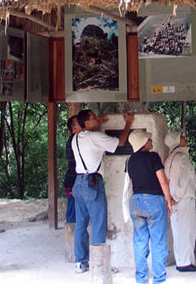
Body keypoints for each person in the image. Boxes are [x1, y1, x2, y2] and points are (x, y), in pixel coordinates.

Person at [72, 109, 134, 274]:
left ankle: (80, 261)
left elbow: (91, 131)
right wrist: (128, 123)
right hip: (93, 184)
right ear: (87, 123)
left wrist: (97, 121)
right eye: (93, 118)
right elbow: (120, 143)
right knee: (99, 224)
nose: (96, 119)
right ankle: (100, 263)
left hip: (78, 183)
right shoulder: (96, 137)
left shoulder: (76, 138)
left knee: (81, 225)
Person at [126, 130, 174, 284]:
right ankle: (159, 278)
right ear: (142, 142)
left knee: (140, 240)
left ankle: (141, 278)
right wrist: (168, 200)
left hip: (136, 201)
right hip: (153, 201)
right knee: (158, 240)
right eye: (148, 139)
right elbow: (163, 181)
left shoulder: (130, 160)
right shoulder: (153, 157)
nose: (151, 141)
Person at [163, 129, 196, 272]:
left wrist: (171, 198)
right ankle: (186, 263)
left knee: (178, 231)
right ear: (177, 141)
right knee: (188, 230)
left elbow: (166, 180)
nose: (185, 138)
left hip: (173, 199)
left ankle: (181, 261)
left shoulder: (169, 159)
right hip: (183, 198)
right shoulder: (182, 157)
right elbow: (184, 179)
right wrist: (178, 196)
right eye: (182, 137)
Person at [64, 115, 82, 225]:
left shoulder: (76, 140)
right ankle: (70, 240)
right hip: (72, 181)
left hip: (74, 180)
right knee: (72, 215)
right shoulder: (75, 141)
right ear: (74, 128)